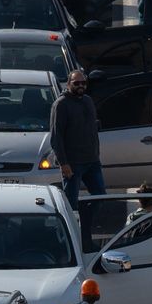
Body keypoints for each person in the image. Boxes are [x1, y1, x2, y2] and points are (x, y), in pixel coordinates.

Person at [49, 69, 106, 207]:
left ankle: (85, 221)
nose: (81, 86)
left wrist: (96, 154)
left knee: (101, 197)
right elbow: (56, 137)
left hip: (92, 160)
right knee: (70, 203)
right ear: (68, 84)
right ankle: (74, 226)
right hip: (73, 163)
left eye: (83, 83)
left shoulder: (88, 100)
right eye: (76, 83)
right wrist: (64, 163)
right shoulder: (61, 104)